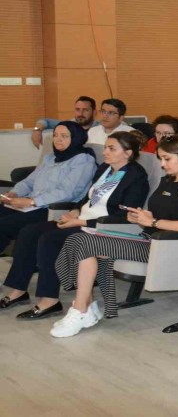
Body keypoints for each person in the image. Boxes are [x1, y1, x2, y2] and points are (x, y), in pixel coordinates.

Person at [51, 134, 178, 337]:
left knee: (84, 242)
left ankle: (82, 309)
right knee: (79, 239)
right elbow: (159, 215)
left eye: (167, 159)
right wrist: (142, 216)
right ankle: (84, 307)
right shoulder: (167, 180)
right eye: (161, 159)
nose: (162, 164)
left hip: (166, 246)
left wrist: (152, 222)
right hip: (146, 237)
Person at [1, 132, 149, 319]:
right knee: (29, 232)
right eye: (105, 147)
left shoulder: (136, 177)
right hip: (82, 219)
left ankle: (49, 300)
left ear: (128, 153)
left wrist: (80, 221)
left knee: (49, 239)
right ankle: (17, 290)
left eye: (112, 149)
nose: (105, 152)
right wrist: (75, 211)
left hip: (102, 226)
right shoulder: (105, 169)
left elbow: (125, 215)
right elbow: (88, 198)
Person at [0, 122, 97, 256]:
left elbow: (67, 192)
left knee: (4, 225)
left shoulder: (84, 160)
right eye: (55, 135)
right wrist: (14, 192)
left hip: (52, 209)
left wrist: (32, 202)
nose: (58, 139)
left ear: (76, 138)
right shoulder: (50, 158)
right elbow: (30, 181)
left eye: (64, 136)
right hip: (31, 204)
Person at [30, 96, 98, 149]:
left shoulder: (100, 127)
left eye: (85, 110)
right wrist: (37, 130)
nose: (80, 113)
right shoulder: (68, 124)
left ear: (94, 112)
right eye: (77, 109)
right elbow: (45, 121)